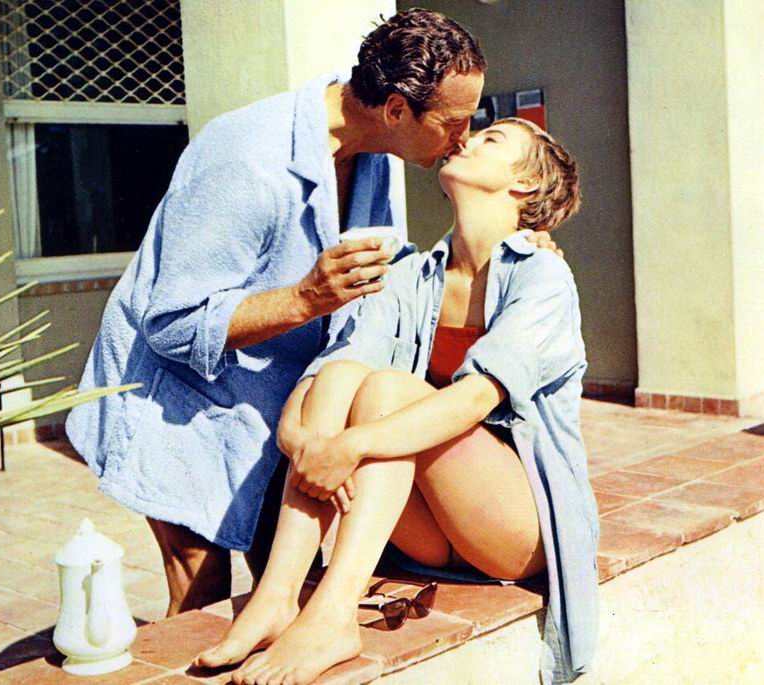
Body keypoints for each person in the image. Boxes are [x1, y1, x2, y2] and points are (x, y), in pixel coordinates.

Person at [65, 9, 557, 616]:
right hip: (178, 403)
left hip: (278, 404)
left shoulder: (375, 152)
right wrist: (305, 299)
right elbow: (171, 322)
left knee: (288, 580)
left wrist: (515, 248)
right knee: (202, 591)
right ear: (397, 109)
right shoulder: (247, 159)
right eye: (453, 123)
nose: (462, 139)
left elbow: (386, 275)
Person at [197, 118, 598, 685]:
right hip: (430, 535)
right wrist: (300, 439)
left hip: (513, 528)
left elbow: (474, 399)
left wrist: (350, 446)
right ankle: (277, 596)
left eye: (492, 140)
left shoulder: (543, 277)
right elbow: (331, 368)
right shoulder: (412, 275)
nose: (468, 138)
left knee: (386, 390)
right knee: (343, 376)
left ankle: (334, 616)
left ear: (524, 184)